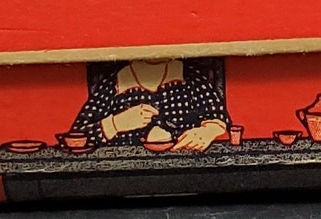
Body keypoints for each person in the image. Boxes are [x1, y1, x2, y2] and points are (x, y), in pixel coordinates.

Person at [71, 58, 229, 152]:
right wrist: (116, 123)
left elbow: (218, 116)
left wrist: (208, 130)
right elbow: (77, 136)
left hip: (185, 165)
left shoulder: (190, 77)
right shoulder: (113, 83)